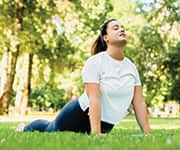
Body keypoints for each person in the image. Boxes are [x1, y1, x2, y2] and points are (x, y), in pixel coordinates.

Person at [16, 19, 151, 135]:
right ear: (106, 38)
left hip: (107, 123)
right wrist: (96, 133)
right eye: (116, 28)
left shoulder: (131, 67)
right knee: (50, 129)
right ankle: (24, 128)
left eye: (123, 28)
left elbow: (138, 102)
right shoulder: (95, 62)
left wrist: (147, 133)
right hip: (78, 115)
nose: (121, 29)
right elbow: (94, 97)